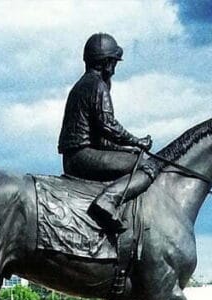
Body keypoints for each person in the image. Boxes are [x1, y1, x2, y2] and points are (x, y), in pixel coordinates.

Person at [58, 32, 162, 233]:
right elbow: (108, 125)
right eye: (113, 63)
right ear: (105, 63)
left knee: (132, 158)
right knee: (145, 166)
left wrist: (128, 148)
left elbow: (101, 137)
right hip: (82, 157)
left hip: (78, 155)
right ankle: (107, 201)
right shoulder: (97, 86)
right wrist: (137, 141)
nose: (114, 69)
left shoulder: (82, 85)